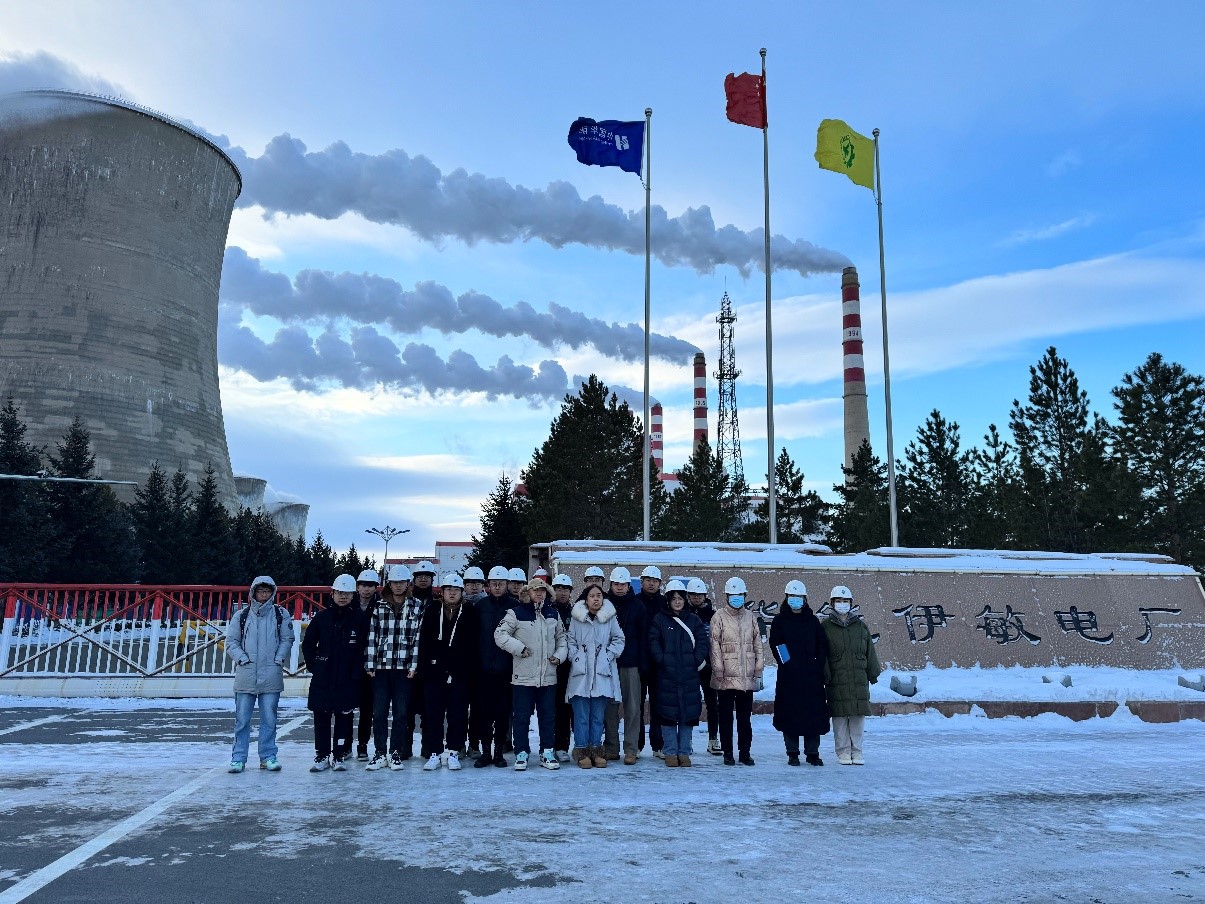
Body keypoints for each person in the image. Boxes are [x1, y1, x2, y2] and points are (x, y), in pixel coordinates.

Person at [494, 577, 567, 771]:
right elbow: (500, 634)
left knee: (547, 716)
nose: (539, 593)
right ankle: (521, 752)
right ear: (528, 592)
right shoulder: (516, 613)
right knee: (521, 717)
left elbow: (562, 638)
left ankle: (547, 752)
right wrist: (519, 648)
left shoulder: (553, 613)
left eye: (542, 590)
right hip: (523, 677)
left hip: (548, 676)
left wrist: (559, 656)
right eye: (535, 590)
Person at [225, 576, 294, 773]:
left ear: (273, 592)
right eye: (260, 591)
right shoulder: (242, 615)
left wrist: (278, 659)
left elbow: (287, 639)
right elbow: (231, 642)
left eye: (267, 591)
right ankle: (238, 758)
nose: (264, 594)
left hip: (271, 673)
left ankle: (268, 756)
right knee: (242, 720)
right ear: (253, 592)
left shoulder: (281, 614)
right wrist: (242, 659)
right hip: (246, 674)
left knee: (269, 719)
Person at [303, 574, 368, 772]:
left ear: (353, 595)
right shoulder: (322, 617)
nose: (343, 597)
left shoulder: (359, 618)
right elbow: (308, 644)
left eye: (347, 593)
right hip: (323, 677)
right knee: (321, 717)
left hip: (348, 678)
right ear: (332, 593)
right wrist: (314, 666)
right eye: (339, 593)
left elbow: (364, 647)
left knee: (344, 717)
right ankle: (322, 755)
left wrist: (356, 672)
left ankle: (339, 755)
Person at [363, 564, 423, 772]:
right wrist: (370, 663)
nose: (398, 586)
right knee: (379, 712)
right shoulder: (379, 606)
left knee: (401, 713)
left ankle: (395, 751)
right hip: (381, 667)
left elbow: (418, 638)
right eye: (394, 582)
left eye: (401, 582)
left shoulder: (416, 606)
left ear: (408, 584)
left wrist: (414, 665)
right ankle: (380, 752)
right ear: (389, 584)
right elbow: (372, 635)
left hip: (404, 668)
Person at [417, 574, 478, 771]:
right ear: (442, 592)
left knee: (457, 714)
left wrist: (468, 670)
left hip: (460, 673)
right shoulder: (432, 610)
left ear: (462, 592)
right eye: (449, 589)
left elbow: (473, 644)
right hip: (434, 672)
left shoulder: (469, 611)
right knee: (433, 714)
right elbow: (424, 642)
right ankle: (434, 752)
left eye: (456, 590)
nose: (452, 593)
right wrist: (425, 669)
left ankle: (454, 751)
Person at [769, 580, 830, 766]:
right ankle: (792, 753)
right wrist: (788, 664)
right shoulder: (779, 620)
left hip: (811, 676)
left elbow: (821, 644)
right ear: (787, 598)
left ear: (805, 599)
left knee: (813, 715)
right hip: (789, 676)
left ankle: (812, 753)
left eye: (799, 597)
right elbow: (777, 643)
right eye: (792, 596)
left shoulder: (813, 620)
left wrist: (817, 663)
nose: (796, 600)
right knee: (790, 715)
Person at [648, 580, 707, 768]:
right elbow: (653, 641)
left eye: (680, 598)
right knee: (668, 714)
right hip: (667, 674)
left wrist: (695, 660)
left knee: (688, 714)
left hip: (689, 674)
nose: (677, 602)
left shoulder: (694, 620)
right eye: (674, 599)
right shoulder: (659, 619)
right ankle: (670, 752)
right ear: (668, 600)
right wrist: (662, 660)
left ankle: (684, 752)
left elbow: (702, 642)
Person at [566, 583, 624, 769]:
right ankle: (581, 750)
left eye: (599, 595)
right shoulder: (577, 618)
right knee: (581, 716)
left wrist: (607, 656)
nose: (596, 599)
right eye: (592, 596)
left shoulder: (609, 618)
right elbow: (570, 640)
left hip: (601, 672)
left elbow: (619, 639)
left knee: (598, 716)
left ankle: (596, 749)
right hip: (581, 673)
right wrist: (576, 657)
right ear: (586, 599)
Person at [822, 585, 881, 766]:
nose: (842, 604)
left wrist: (873, 673)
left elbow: (869, 651)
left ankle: (857, 751)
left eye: (846, 601)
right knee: (839, 717)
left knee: (857, 716)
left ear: (851, 603)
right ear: (832, 603)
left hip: (858, 678)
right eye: (839, 601)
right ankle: (843, 751)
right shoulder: (825, 626)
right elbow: (822, 654)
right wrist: (825, 674)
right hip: (837, 678)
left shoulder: (860, 626)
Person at [709, 576, 764, 766]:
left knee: (744, 719)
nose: (736, 598)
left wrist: (758, 666)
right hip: (725, 677)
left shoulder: (751, 617)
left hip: (746, 676)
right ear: (727, 596)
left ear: (745, 595)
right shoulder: (718, 617)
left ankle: (745, 753)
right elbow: (714, 645)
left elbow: (758, 645)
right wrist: (718, 669)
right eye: (733, 595)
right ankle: (728, 753)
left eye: (740, 595)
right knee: (725, 717)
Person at [472, 566, 517, 768]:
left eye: (501, 583)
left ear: (507, 585)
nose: (497, 587)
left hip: (506, 671)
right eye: (494, 584)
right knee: (483, 713)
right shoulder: (480, 606)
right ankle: (485, 752)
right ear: (488, 585)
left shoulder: (515, 607)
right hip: (482, 670)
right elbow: (472, 639)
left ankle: (499, 751)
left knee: (502, 713)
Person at [603, 567, 647, 765]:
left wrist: (642, 663)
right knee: (610, 708)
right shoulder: (603, 604)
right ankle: (611, 748)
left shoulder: (638, 606)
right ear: (611, 585)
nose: (619, 587)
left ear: (629, 585)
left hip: (631, 664)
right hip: (608, 663)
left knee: (633, 708)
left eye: (623, 584)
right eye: (616, 584)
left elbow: (643, 637)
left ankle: (631, 749)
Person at [686, 577, 721, 755]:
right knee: (689, 703)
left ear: (705, 596)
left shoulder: (714, 616)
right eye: (693, 594)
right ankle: (687, 740)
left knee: (712, 703)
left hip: (709, 666)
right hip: (689, 666)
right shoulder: (683, 614)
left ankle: (713, 739)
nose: (696, 597)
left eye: (699, 594)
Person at [636, 564, 666, 758]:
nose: (651, 584)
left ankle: (658, 745)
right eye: (648, 580)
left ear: (659, 584)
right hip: (639, 662)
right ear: (642, 582)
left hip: (659, 664)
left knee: (658, 705)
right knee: (636, 706)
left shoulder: (665, 604)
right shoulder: (635, 602)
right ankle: (637, 745)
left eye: (655, 581)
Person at [353, 569, 381, 761]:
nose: (366, 589)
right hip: (350, 662)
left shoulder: (381, 606)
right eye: (363, 585)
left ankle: (362, 745)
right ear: (357, 587)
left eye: (370, 585)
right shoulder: (348, 604)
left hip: (372, 664)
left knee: (367, 708)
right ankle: (344, 745)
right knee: (345, 706)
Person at [550, 573, 575, 763]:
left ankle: (562, 746)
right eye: (559, 589)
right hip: (551, 666)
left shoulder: (576, 613)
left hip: (571, 668)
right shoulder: (547, 611)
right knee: (551, 708)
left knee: (566, 708)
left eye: (566, 589)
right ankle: (549, 745)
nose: (562, 592)